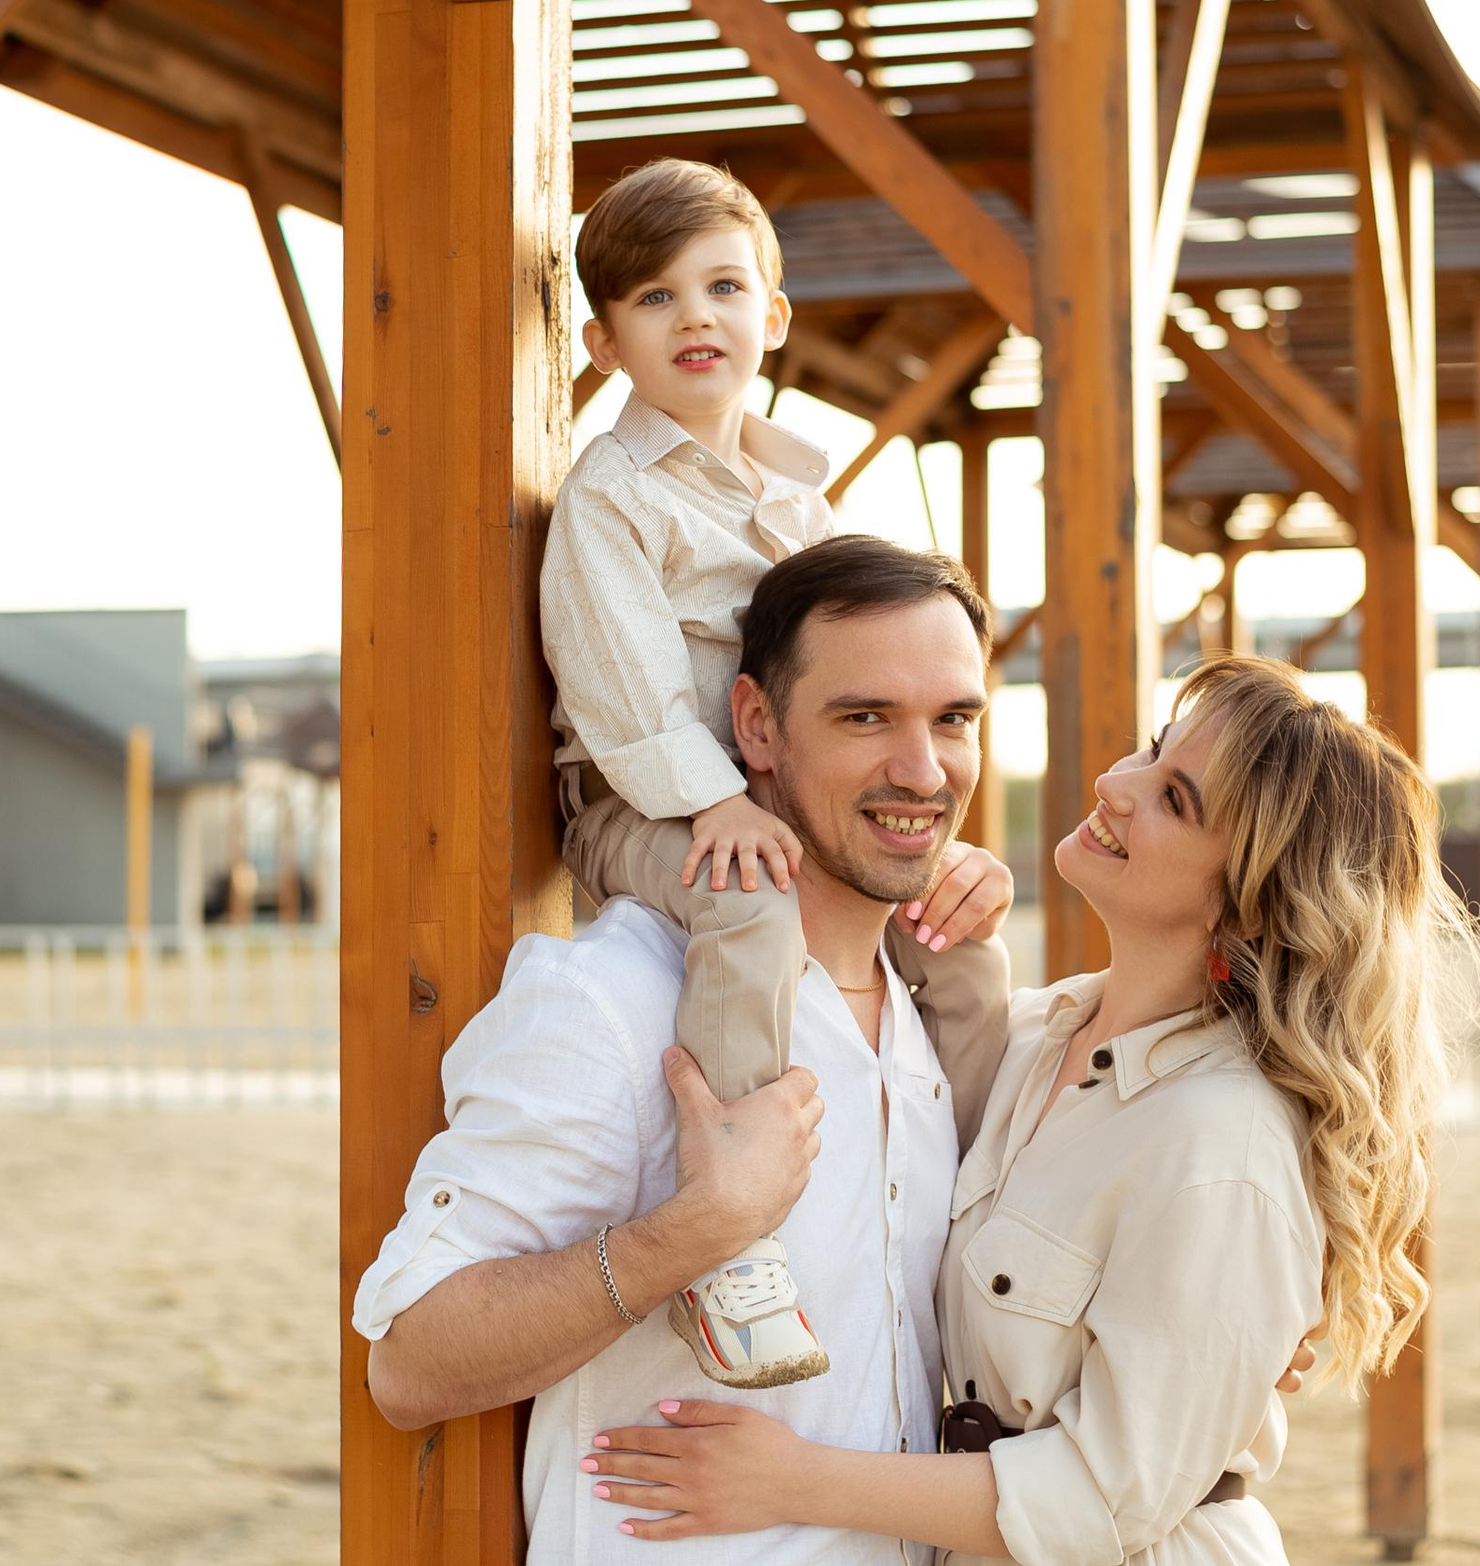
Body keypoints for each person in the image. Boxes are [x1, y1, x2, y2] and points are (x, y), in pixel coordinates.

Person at [581, 654, 1480, 1564]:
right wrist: (945, 904)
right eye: (1151, 752)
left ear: (1250, 901)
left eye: (1175, 799)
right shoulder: (1039, 1038)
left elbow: (1101, 1501)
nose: (1116, 785)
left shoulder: (1222, 1142)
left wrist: (790, 1478)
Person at [356, 539, 999, 1563]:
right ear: (755, 724)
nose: (922, 770)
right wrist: (697, 1232)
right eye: (864, 716)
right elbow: (412, 1361)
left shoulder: (937, 1014)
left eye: (953, 719)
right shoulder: (612, 997)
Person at [541, 158, 1012, 1387]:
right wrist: (713, 801)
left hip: (776, 803)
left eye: (721, 287)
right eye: (653, 298)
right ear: (601, 341)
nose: (694, 316)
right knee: (747, 900)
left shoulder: (799, 495)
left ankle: (986, 1187)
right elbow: (621, 681)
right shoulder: (611, 498)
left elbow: (866, 659)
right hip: (646, 803)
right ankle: (731, 1227)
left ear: (773, 316)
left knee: (961, 946)